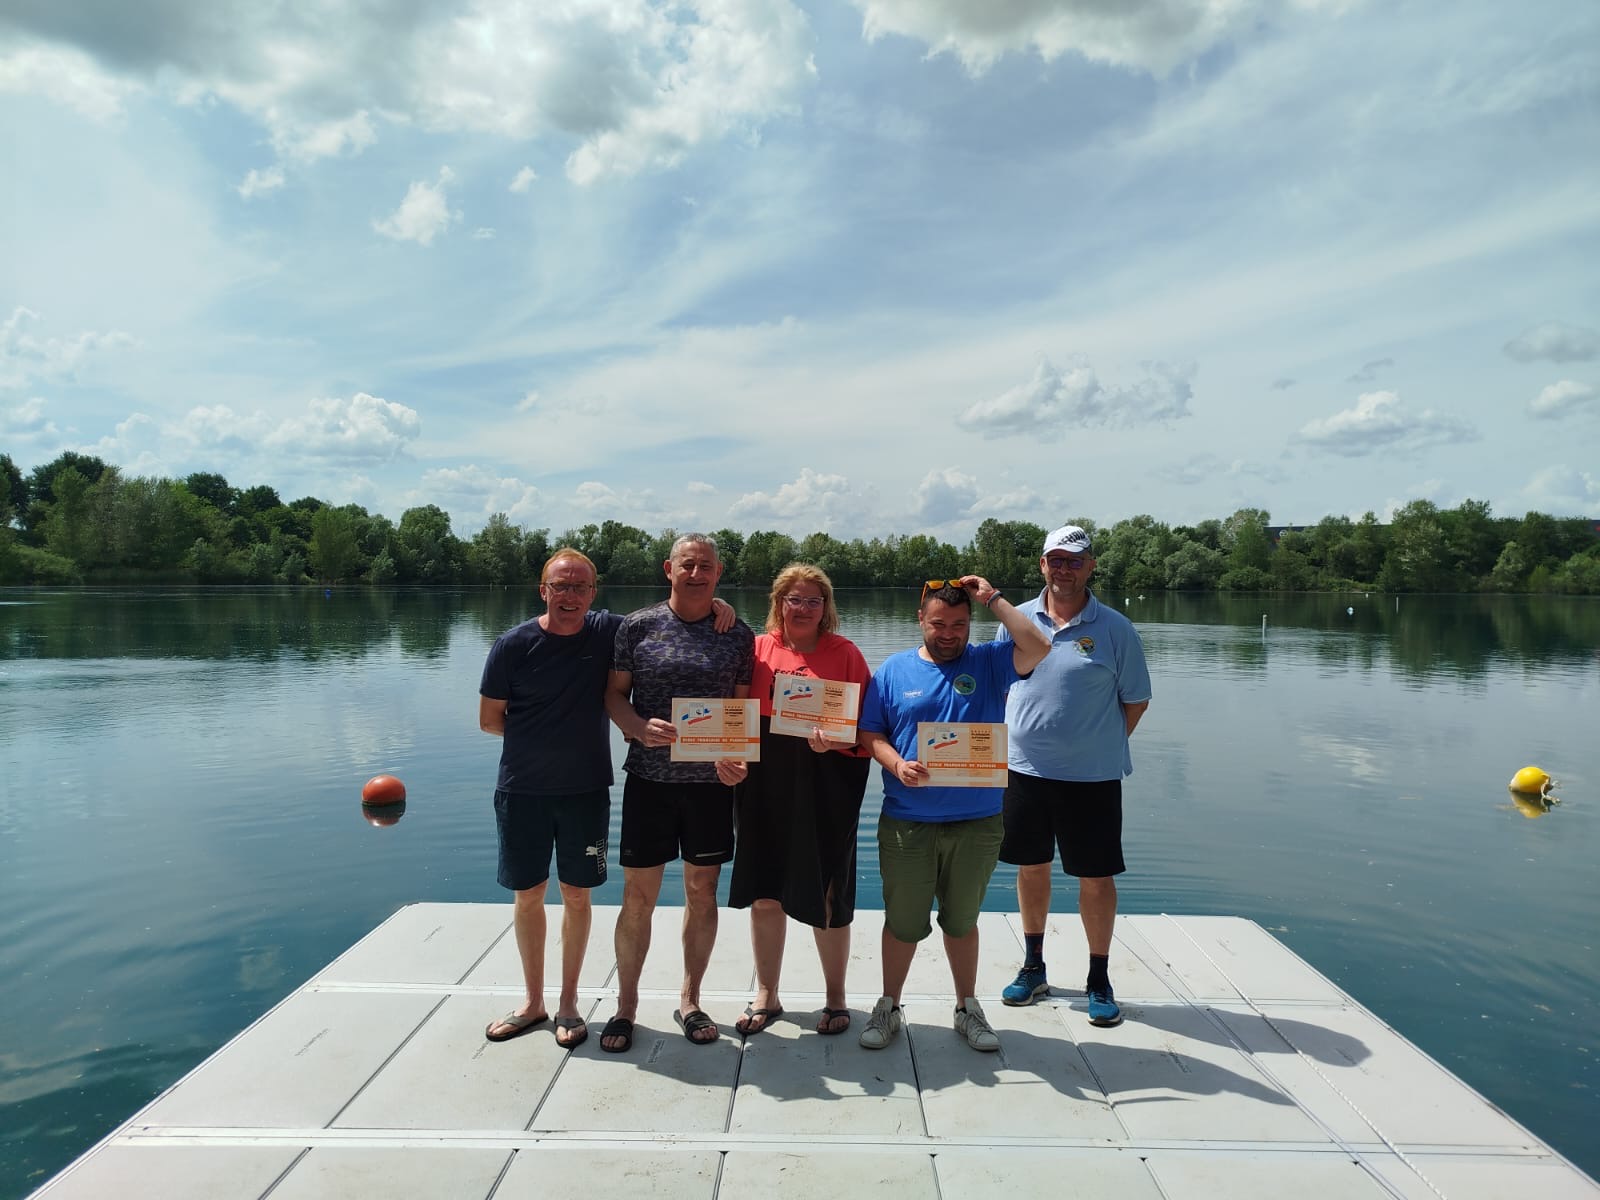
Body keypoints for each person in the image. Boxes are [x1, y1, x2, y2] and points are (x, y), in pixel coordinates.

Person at [477, 548, 734, 1051]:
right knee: (528, 894)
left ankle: (569, 1003)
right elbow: (490, 720)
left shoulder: (610, 630)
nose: (570, 596)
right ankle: (532, 1002)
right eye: (560, 586)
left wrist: (717, 604)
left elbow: (676, 611)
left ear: (593, 593)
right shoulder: (512, 645)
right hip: (522, 788)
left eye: (580, 587)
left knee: (577, 895)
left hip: (586, 789)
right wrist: (544, 738)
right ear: (543, 590)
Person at [855, 576, 1051, 1052]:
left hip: (977, 821)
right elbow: (871, 734)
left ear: (970, 624)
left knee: (962, 922)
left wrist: (993, 599)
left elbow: (1039, 645)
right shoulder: (893, 671)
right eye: (938, 624)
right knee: (903, 922)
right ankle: (889, 1006)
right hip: (908, 821)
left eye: (959, 625)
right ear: (920, 620)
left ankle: (967, 1008)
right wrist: (897, 764)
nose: (948, 634)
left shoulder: (989, 661)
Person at [601, 534, 755, 1051]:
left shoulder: (737, 634)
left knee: (702, 892)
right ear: (669, 569)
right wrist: (637, 727)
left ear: (718, 572)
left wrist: (737, 762)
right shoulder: (636, 626)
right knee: (637, 896)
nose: (696, 573)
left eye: (705, 566)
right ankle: (626, 1005)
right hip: (649, 782)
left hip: (710, 788)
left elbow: (739, 712)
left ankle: (690, 998)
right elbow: (613, 695)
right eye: (687, 564)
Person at [994, 524, 1151, 1028]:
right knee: (1031, 867)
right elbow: (1001, 688)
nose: (1064, 569)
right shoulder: (1015, 620)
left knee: (1096, 878)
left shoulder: (1116, 629)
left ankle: (1098, 979)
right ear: (1042, 564)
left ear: (1091, 567)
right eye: (1056, 560)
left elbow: (1136, 700)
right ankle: (1033, 966)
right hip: (1023, 770)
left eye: (1075, 560)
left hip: (1092, 778)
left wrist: (1094, 745)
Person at [728, 564, 872, 1038]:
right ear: (779, 602)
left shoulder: (846, 653)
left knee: (828, 890)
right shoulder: (756, 649)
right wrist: (728, 757)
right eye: (796, 599)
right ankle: (767, 993)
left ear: (826, 606)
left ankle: (836, 996)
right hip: (766, 776)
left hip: (828, 778)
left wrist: (837, 740)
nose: (805, 608)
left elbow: (868, 728)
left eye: (814, 600)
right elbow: (736, 713)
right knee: (765, 891)